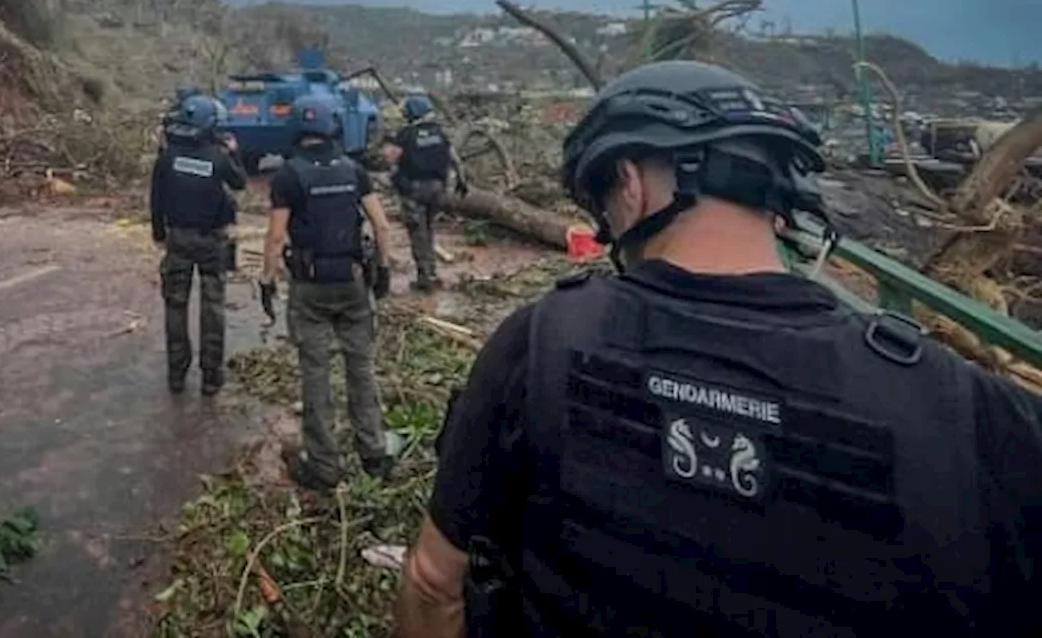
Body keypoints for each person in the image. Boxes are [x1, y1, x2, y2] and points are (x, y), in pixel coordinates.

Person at [395, 60, 1042, 637]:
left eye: (602, 203)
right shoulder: (964, 409)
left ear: (629, 184)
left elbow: (432, 582)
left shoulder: (539, 343)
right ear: (779, 203)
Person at [260, 94, 397, 491]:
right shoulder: (354, 171)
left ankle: (323, 466)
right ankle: (373, 453)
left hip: (310, 289)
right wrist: (384, 270)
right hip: (354, 284)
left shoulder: (288, 175)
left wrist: (267, 280)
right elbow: (382, 226)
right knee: (361, 367)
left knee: (315, 374)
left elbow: (274, 237)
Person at [150, 94, 247, 396]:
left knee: (175, 306)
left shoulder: (167, 157)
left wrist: (159, 234)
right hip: (211, 241)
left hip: (177, 238)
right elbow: (240, 182)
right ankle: (211, 377)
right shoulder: (217, 157)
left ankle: (176, 375)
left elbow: (156, 199)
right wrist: (235, 153)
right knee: (212, 307)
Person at [382, 94, 469, 293]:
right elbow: (455, 159)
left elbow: (390, 159)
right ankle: (432, 271)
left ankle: (425, 276)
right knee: (429, 228)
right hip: (438, 188)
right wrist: (462, 182)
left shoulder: (406, 135)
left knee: (417, 232)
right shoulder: (440, 133)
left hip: (413, 190)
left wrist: (392, 175)